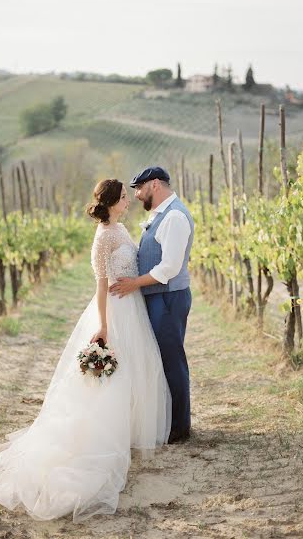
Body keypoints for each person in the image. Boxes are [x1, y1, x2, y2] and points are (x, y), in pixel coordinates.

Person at [0, 179, 171, 522]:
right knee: (113, 379)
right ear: (110, 202)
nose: (129, 200)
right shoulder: (103, 238)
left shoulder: (121, 227)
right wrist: (104, 325)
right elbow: (101, 285)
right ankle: (102, 440)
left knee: (137, 371)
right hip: (114, 310)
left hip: (132, 306)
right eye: (124, 197)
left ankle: (129, 432)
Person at [110, 166, 194, 444]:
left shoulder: (175, 218)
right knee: (160, 359)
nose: (136, 195)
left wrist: (134, 284)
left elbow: (169, 267)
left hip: (168, 297)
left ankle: (180, 428)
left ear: (154, 184)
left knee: (172, 360)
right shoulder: (161, 216)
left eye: (138, 188)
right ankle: (167, 421)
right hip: (158, 297)